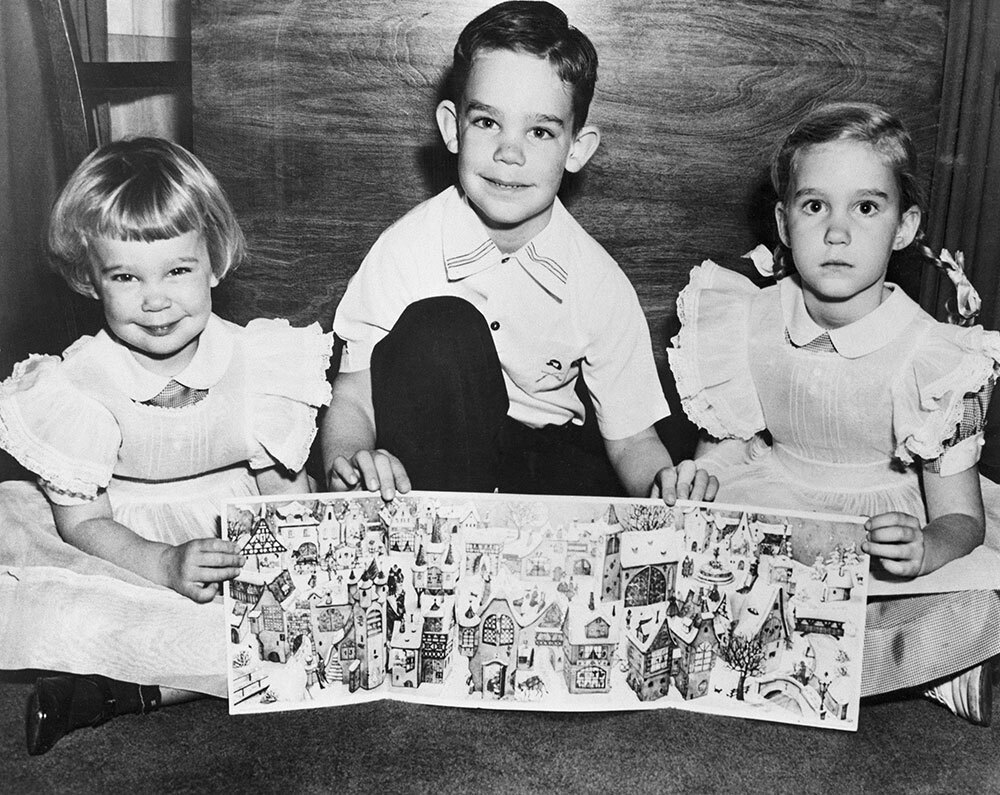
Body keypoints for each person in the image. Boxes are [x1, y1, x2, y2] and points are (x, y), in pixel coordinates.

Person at [668, 101, 1000, 725]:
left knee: (984, 599)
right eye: (815, 205)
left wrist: (926, 548)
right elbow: (721, 450)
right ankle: (887, 667)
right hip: (775, 506)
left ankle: (933, 664)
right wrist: (698, 482)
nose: (837, 232)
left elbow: (961, 518)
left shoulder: (934, 357)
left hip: (880, 522)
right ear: (784, 223)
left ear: (904, 227)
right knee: (686, 580)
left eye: (866, 207)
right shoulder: (745, 318)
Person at [0, 137, 333, 753]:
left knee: (287, 621)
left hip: (227, 546)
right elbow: (83, 523)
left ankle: (117, 693)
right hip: (124, 545)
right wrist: (161, 563)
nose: (155, 300)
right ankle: (132, 672)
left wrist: (299, 557)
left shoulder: (258, 360)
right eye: (125, 276)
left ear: (214, 262)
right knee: (58, 607)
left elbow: (283, 490)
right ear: (89, 276)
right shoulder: (79, 383)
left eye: (177, 270)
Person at [322, 0, 716, 504]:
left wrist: (666, 485)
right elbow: (355, 394)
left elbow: (632, 440)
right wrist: (352, 461)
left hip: (548, 463)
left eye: (540, 131)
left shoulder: (597, 280)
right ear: (451, 128)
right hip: (434, 462)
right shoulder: (406, 249)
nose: (510, 153)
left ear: (577, 148)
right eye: (487, 123)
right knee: (441, 326)